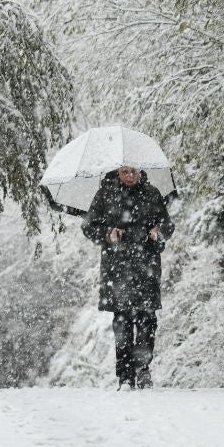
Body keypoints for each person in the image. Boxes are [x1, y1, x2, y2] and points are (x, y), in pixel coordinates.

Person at [82, 165, 175, 389]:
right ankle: (125, 377)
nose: (131, 175)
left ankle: (143, 370)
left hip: (147, 267)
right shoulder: (105, 194)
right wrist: (108, 233)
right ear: (118, 172)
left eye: (134, 171)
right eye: (126, 171)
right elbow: (88, 227)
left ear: (141, 171)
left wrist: (158, 231)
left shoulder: (152, 193)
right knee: (122, 323)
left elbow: (168, 225)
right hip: (117, 269)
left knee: (147, 321)